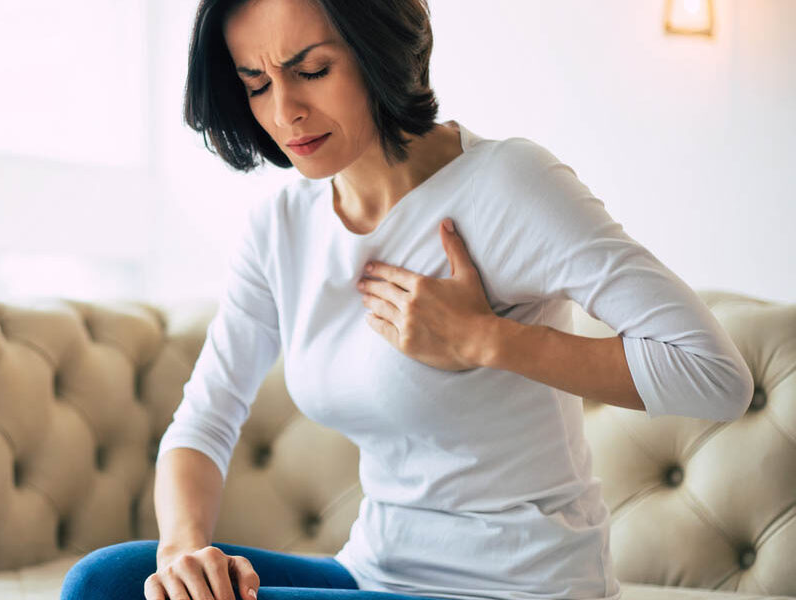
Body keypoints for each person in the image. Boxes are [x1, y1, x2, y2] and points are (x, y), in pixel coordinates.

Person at [61, 0, 754, 598]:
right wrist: (185, 555)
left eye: (312, 70)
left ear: (378, 52)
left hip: (517, 586)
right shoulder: (283, 229)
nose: (285, 111)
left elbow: (715, 377)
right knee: (111, 583)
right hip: (378, 573)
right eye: (255, 83)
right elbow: (203, 423)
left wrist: (486, 340)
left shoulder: (507, 184)